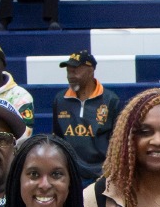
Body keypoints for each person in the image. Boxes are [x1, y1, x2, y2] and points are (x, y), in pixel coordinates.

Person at [51, 51, 121, 183]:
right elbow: (57, 139)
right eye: (68, 71)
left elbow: (118, 142)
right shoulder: (60, 100)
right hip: (70, 174)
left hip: (101, 175)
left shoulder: (110, 100)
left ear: (91, 71)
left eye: (76, 70)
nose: (70, 76)